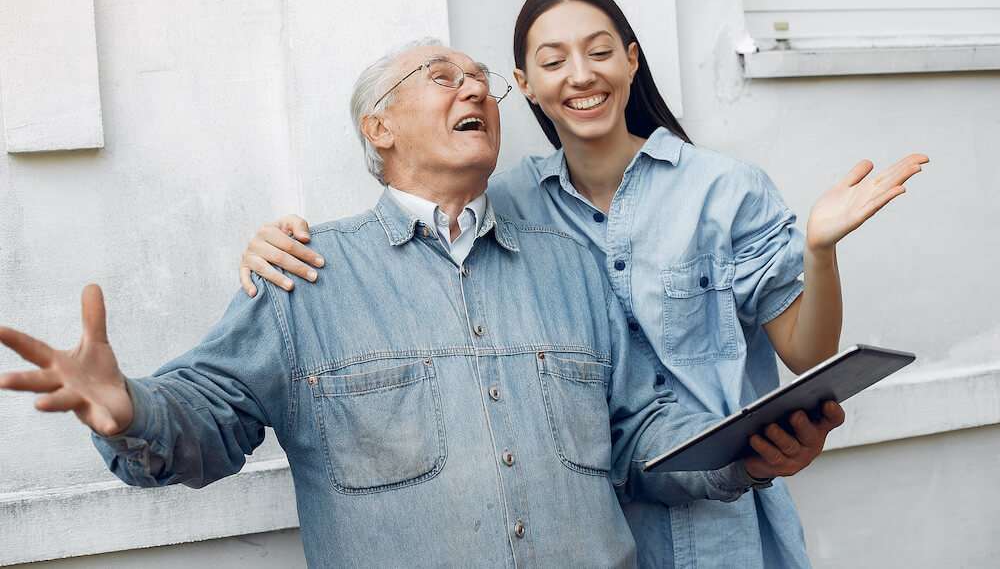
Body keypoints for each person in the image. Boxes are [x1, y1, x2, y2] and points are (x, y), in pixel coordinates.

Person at [0, 41, 845, 568]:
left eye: (482, 79)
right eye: (443, 77)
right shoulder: (306, 274)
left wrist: (749, 453)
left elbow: (641, 435)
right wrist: (128, 409)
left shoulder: (573, 269)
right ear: (380, 127)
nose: (474, 89)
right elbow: (209, 420)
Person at [238, 0, 927, 568]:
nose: (581, 74)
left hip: (724, 522)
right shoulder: (501, 202)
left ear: (631, 62)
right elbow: (413, 234)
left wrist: (820, 248)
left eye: (600, 52)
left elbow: (807, 352)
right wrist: (273, 248)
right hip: (593, 533)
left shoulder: (726, 189)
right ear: (525, 85)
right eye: (553, 60)